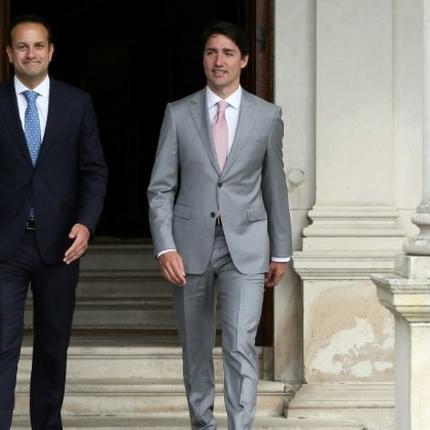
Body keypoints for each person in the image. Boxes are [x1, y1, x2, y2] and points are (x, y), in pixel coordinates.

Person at [0, 14, 108, 429]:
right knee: (4, 344)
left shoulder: (78, 103)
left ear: (51, 51)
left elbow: (94, 171)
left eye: (38, 45)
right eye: (22, 46)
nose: (31, 53)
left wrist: (86, 223)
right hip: (2, 247)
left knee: (52, 346)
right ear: (8, 53)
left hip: (60, 245)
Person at [147, 20, 292, 430]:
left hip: (244, 246)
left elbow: (274, 186)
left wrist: (280, 249)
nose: (219, 61)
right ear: (203, 59)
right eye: (212, 52)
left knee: (240, 343)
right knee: (195, 348)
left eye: (228, 53)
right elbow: (160, 187)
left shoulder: (267, 116)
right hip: (188, 247)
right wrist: (165, 246)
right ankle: (202, 424)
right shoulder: (178, 114)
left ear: (244, 60)